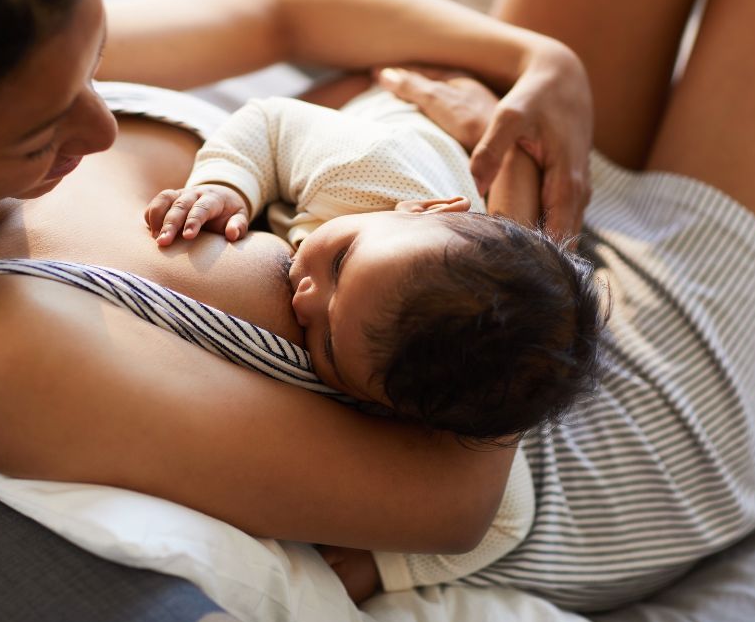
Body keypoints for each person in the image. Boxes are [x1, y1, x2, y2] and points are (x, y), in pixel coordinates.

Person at [0, 0, 755, 622]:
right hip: (611, 419)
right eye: (43, 134)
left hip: (485, 200)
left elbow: (282, 12)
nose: (105, 119)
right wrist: (522, 239)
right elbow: (449, 506)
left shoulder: (15, 34)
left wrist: (534, 61)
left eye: (97, 63)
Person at [143, 88, 605, 441]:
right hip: (388, 109)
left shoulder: (421, 381)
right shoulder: (367, 168)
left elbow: (509, 516)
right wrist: (228, 186)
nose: (305, 297)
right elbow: (271, 124)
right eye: (342, 263)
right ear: (426, 208)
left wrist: (384, 565)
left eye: (326, 342)